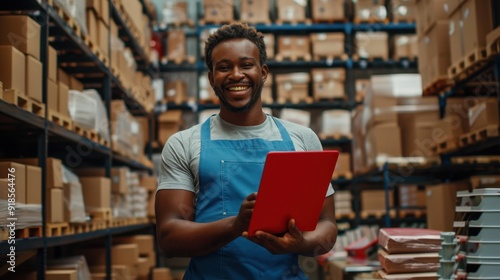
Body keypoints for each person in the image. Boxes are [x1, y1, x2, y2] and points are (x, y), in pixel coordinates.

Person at [155, 22, 338, 279]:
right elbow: (169, 238)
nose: (236, 75)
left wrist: (301, 244)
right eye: (224, 67)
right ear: (211, 78)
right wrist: (236, 225)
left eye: (246, 64)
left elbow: (327, 224)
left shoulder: (303, 139)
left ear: (263, 72)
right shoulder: (184, 143)